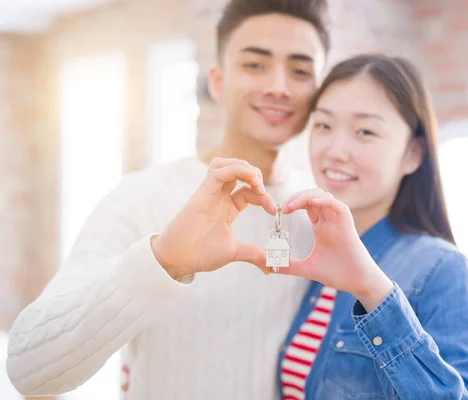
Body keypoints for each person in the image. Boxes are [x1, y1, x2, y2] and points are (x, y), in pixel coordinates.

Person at [6, 0, 329, 398]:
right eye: (254, 64)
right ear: (217, 81)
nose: (278, 86)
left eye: (300, 70)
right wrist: (163, 261)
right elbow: (28, 368)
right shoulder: (142, 197)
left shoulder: (324, 216)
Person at [276, 54, 468, 399]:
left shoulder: (443, 269)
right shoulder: (311, 250)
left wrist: (376, 296)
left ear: (413, 154)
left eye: (365, 131)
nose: (335, 151)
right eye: (323, 126)